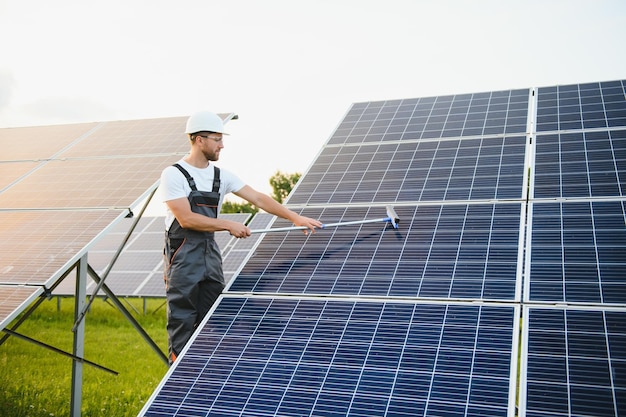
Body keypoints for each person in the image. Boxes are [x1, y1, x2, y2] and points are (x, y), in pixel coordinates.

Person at [160, 110, 321, 363]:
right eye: (217, 139)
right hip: (183, 256)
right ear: (199, 140)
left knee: (217, 319)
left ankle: (211, 374)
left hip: (209, 255)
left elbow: (258, 198)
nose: (222, 145)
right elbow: (186, 219)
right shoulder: (174, 174)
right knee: (183, 320)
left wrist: (294, 217)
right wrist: (227, 224)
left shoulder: (221, 176)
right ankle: (177, 378)